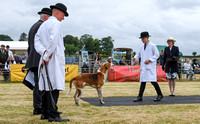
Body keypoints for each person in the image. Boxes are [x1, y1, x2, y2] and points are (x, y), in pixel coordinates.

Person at [34, 3, 69, 122]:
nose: (63, 18)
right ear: (58, 12)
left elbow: (36, 41)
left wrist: (43, 52)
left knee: (45, 86)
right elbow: (53, 41)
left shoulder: (43, 25)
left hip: (45, 58)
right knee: (54, 86)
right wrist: (46, 55)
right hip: (52, 59)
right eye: (63, 15)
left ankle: (45, 112)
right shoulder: (56, 24)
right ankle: (53, 114)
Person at [25, 8, 52, 115]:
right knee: (39, 85)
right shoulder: (42, 26)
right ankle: (39, 107)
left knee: (38, 84)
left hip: (33, 59)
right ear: (46, 17)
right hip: (39, 59)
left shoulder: (34, 26)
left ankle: (38, 106)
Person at [133, 31, 163, 102]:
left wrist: (150, 60)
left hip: (150, 66)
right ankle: (140, 96)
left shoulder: (152, 45)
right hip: (144, 66)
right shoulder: (141, 46)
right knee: (143, 81)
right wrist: (135, 57)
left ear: (147, 38)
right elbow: (139, 54)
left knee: (153, 81)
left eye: (143, 38)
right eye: (141, 39)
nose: (142, 40)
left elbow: (157, 55)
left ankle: (160, 94)